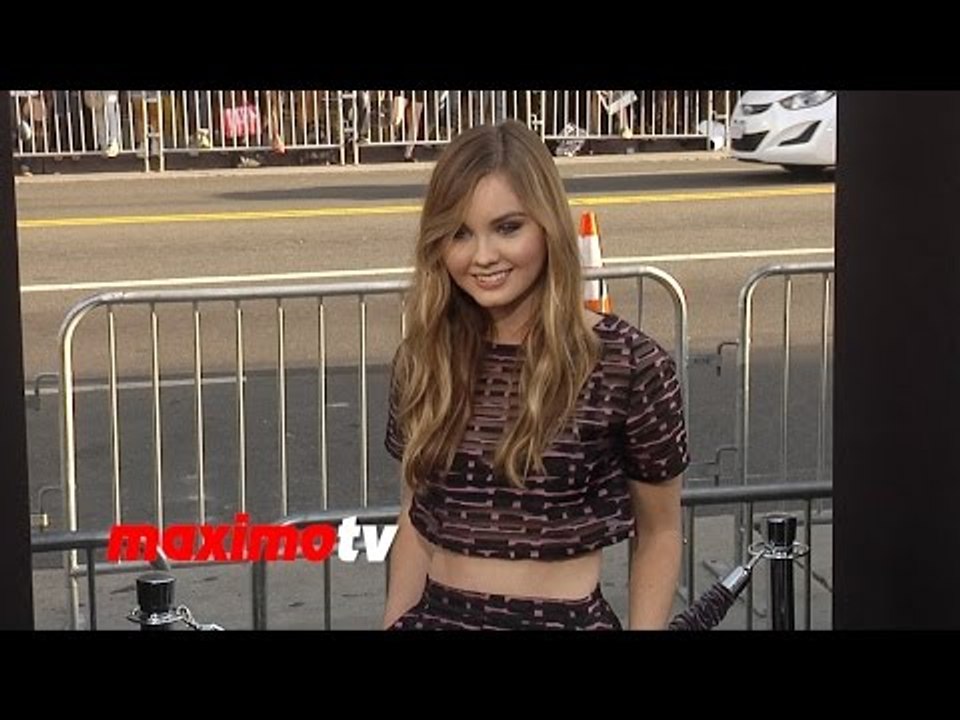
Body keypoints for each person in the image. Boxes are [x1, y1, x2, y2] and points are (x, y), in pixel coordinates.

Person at [382, 120, 689, 631]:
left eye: (507, 227)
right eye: (459, 233)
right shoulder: (423, 359)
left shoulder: (630, 364)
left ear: (548, 225)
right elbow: (414, 519)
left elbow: (659, 534)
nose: (482, 256)